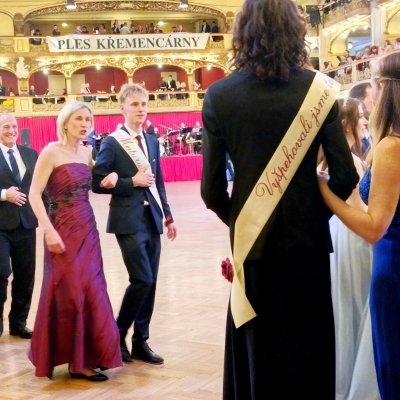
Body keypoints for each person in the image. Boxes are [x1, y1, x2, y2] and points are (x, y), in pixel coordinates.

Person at [200, 1, 359, 399]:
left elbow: (211, 191)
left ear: (242, 31)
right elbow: (345, 176)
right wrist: (309, 216)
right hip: (308, 249)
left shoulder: (219, 95)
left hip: (254, 249)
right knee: (309, 352)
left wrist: (245, 220)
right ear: (295, 30)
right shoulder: (319, 89)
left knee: (260, 355)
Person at [318, 51, 400, 400]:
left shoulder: (391, 147)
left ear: (385, 90)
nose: (371, 97)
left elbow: (373, 227)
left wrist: (325, 191)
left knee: (392, 365)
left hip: (391, 265)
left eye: (374, 87)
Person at [28, 101, 122, 380]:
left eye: (88, 120)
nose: (84, 124)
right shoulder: (50, 152)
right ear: (65, 123)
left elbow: (98, 181)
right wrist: (47, 229)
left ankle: (88, 356)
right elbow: (34, 194)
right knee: (69, 291)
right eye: (79, 119)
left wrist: (112, 176)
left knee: (92, 289)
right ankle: (74, 360)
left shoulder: (88, 152)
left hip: (87, 229)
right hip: (60, 229)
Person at [92, 83, 177, 365]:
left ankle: (141, 341)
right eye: (135, 104)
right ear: (123, 108)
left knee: (151, 283)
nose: (141, 109)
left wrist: (168, 216)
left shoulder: (151, 141)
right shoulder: (112, 142)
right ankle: (117, 334)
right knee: (142, 279)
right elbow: (97, 182)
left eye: (144, 104)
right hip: (127, 220)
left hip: (152, 219)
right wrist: (131, 182)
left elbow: (158, 182)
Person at [328, 98, 379, 400]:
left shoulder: (330, 159)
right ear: (345, 123)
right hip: (354, 236)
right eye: (360, 116)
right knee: (357, 305)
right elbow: (357, 208)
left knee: (346, 304)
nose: (365, 121)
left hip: (339, 234)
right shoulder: (350, 161)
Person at [0, 113, 39, 339]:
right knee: (1, 273)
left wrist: (48, 216)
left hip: (26, 224)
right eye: (6, 126)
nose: (11, 131)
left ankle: (18, 323)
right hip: (1, 226)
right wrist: (5, 194)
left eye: (14, 126)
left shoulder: (31, 154)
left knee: (26, 275)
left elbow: (39, 188)